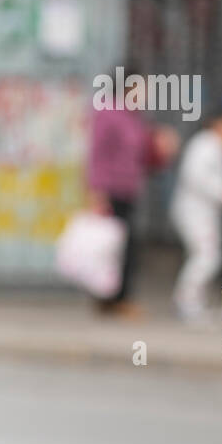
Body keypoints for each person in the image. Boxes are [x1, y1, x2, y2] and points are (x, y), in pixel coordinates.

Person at [84, 68, 178, 317]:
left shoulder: (134, 117)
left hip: (129, 190)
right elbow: (97, 154)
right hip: (110, 190)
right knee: (113, 248)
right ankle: (113, 299)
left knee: (125, 247)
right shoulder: (108, 112)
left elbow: (142, 157)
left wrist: (160, 149)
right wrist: (96, 191)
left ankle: (114, 298)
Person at [169, 108, 222, 322]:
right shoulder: (205, 144)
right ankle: (186, 302)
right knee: (207, 257)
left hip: (207, 214)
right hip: (195, 212)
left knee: (206, 256)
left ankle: (194, 301)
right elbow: (197, 178)